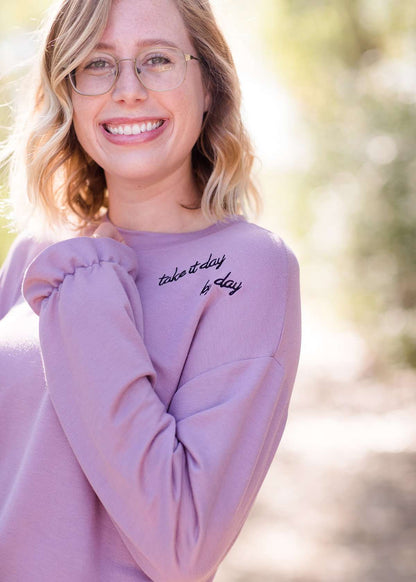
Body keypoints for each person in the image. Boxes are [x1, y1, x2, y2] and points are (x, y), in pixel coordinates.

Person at [0, 0, 301, 580]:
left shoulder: (247, 267)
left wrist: (90, 288)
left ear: (208, 86)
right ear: (68, 93)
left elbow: (180, 546)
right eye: (97, 64)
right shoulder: (35, 254)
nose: (128, 90)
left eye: (158, 60)